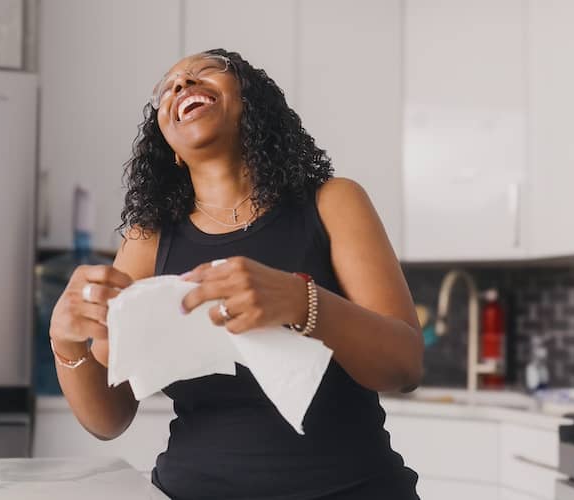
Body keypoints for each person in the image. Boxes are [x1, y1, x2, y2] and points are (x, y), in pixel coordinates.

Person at [49, 48, 422, 499]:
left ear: (252, 103)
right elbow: (109, 418)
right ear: (173, 153)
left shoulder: (332, 202)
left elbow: (404, 367)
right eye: (168, 88)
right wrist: (66, 341)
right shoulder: (148, 240)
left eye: (205, 71)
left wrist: (299, 301)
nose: (181, 85)